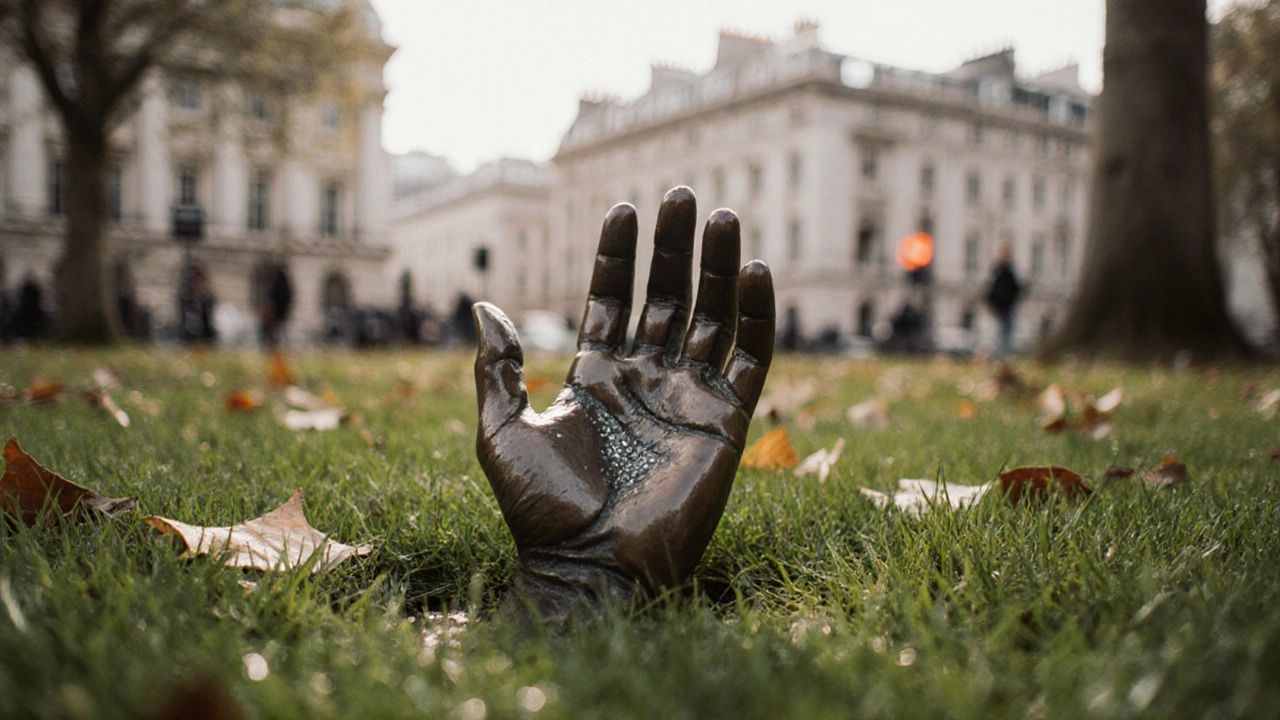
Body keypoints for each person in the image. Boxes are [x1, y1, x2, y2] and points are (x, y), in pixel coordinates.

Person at [984, 243, 1023, 357]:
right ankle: (1001, 356)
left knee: (1004, 332)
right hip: (1005, 306)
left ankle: (1001, 355)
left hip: (1004, 306)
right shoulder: (1004, 270)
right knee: (1004, 333)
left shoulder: (1003, 269)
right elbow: (1012, 288)